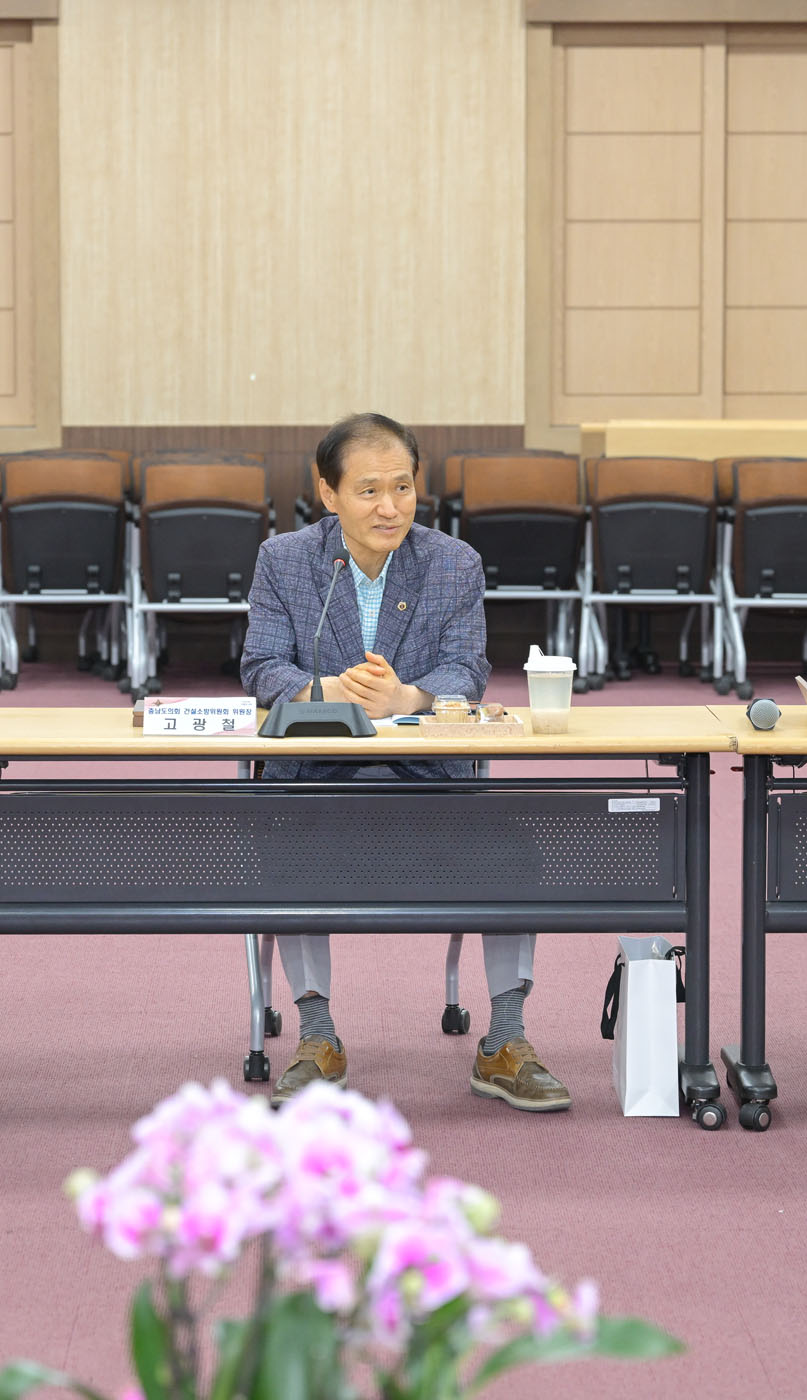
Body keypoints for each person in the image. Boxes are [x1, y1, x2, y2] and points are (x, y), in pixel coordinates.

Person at [239, 412, 570, 1113]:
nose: (389, 507)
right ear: (328, 493)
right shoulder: (285, 559)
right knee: (286, 850)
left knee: (515, 852)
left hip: (431, 784)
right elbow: (262, 666)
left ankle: (505, 1042)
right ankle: (317, 1039)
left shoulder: (452, 562)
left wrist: (407, 698)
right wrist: (325, 692)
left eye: (402, 488)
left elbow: (466, 670)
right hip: (317, 779)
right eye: (368, 491)